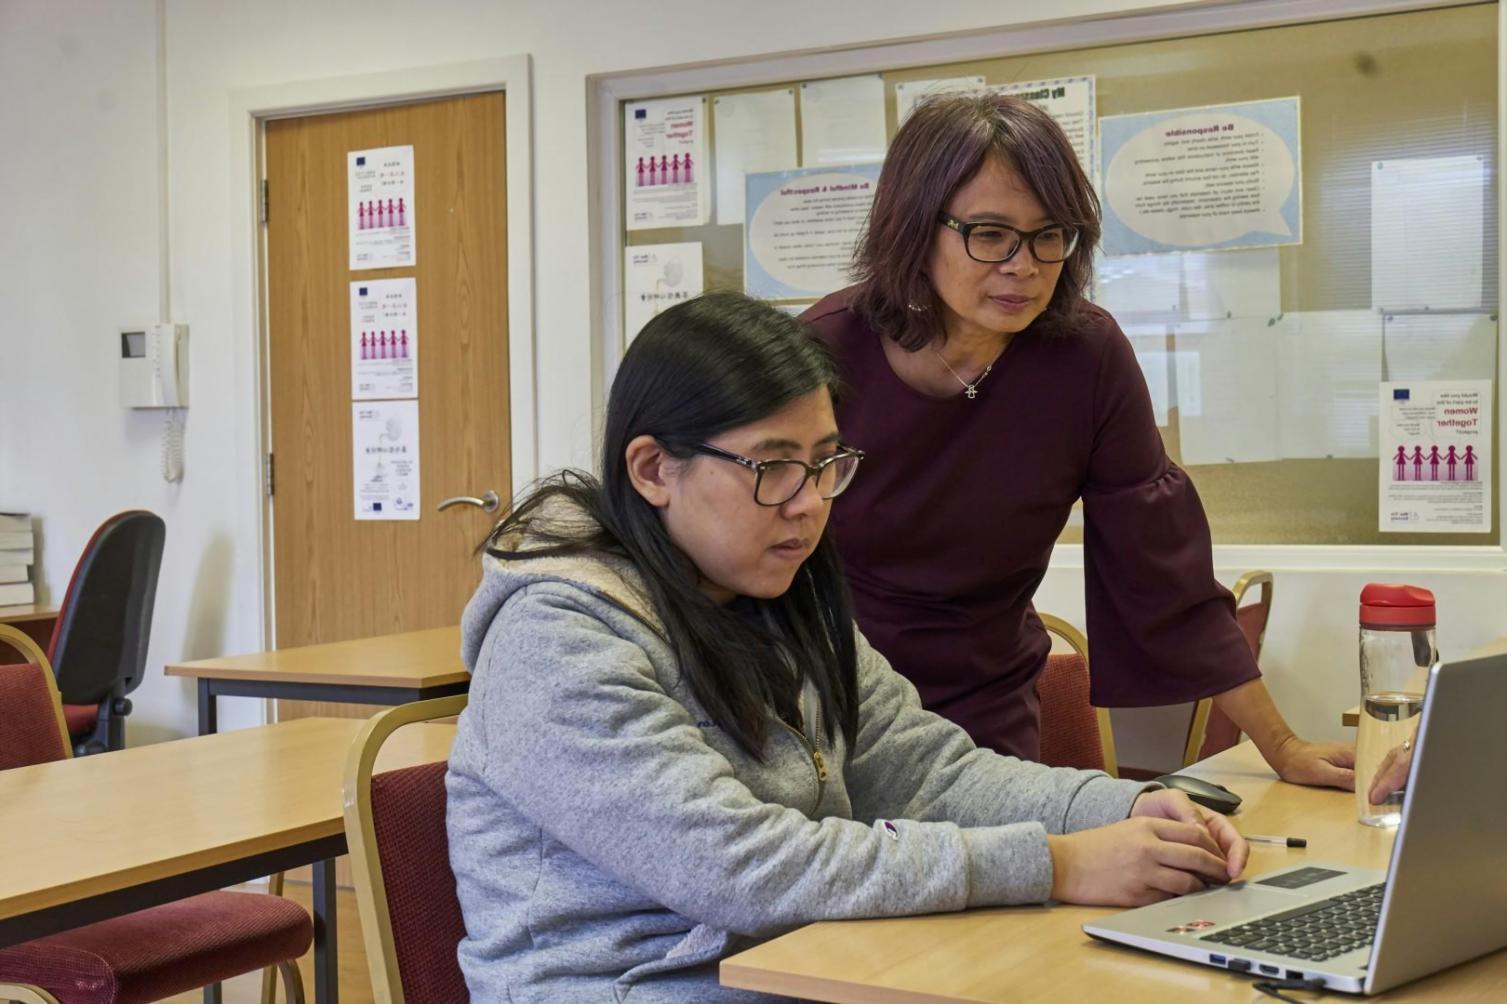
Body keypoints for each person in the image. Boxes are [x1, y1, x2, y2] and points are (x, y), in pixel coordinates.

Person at [446, 292, 1248, 1003]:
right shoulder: (557, 637)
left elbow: (927, 772)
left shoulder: (777, 596)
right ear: (654, 469)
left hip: (812, 965)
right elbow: (741, 866)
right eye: (770, 468)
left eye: (825, 464)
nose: (806, 505)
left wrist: (1131, 810)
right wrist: (1060, 864)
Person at [803, 92, 1354, 788]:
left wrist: (1283, 747)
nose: (1023, 265)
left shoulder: (1083, 357)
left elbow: (1162, 570)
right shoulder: (818, 355)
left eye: (1047, 235)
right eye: (989, 233)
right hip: (824, 701)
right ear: (914, 227)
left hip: (986, 703)